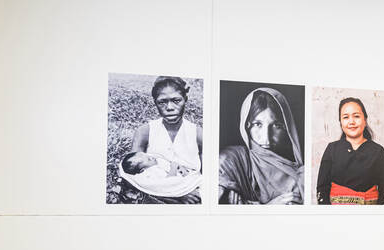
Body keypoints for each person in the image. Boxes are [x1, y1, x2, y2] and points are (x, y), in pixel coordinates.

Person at [218, 88, 303, 205]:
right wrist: (269, 208)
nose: (266, 138)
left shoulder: (300, 172)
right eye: (258, 124)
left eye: (276, 125)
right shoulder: (232, 160)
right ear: (246, 125)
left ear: (287, 128)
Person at [128, 76, 203, 204]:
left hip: (195, 192)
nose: (169, 107)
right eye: (162, 102)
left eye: (176, 100)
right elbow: (130, 176)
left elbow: (210, 175)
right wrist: (177, 194)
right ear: (155, 103)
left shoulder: (197, 133)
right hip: (157, 195)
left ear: (185, 99)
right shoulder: (145, 131)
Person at [316, 97, 384, 205]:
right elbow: (322, 188)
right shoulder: (332, 149)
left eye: (356, 116)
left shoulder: (378, 151)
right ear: (340, 123)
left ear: (365, 120)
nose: (351, 122)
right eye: (346, 117)